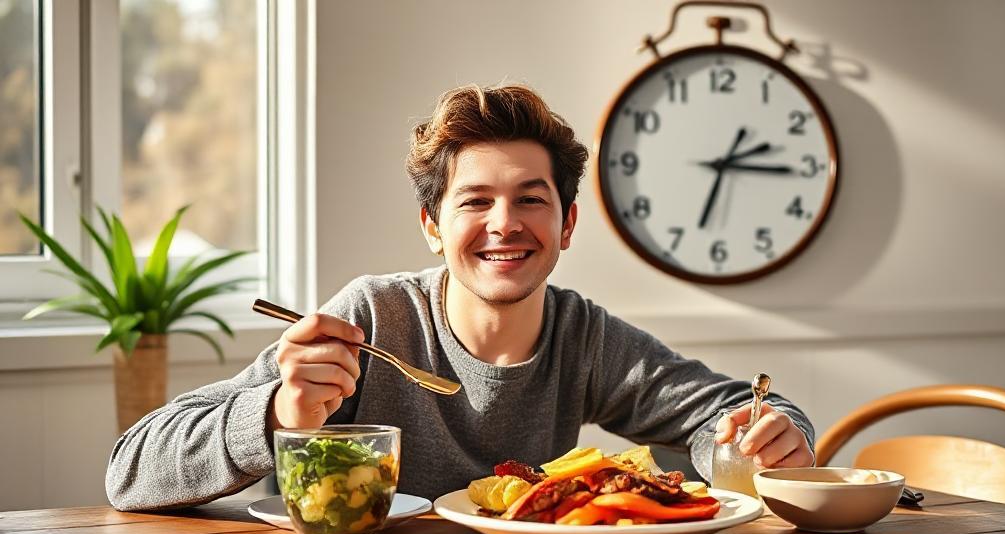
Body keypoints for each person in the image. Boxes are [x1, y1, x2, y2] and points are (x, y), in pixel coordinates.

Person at [105, 84, 814, 510]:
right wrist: (277, 413)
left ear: (566, 224)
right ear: (432, 228)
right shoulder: (371, 317)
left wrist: (767, 438)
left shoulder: (586, 340)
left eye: (530, 200)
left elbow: (742, 411)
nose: (504, 223)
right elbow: (129, 470)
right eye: (475, 201)